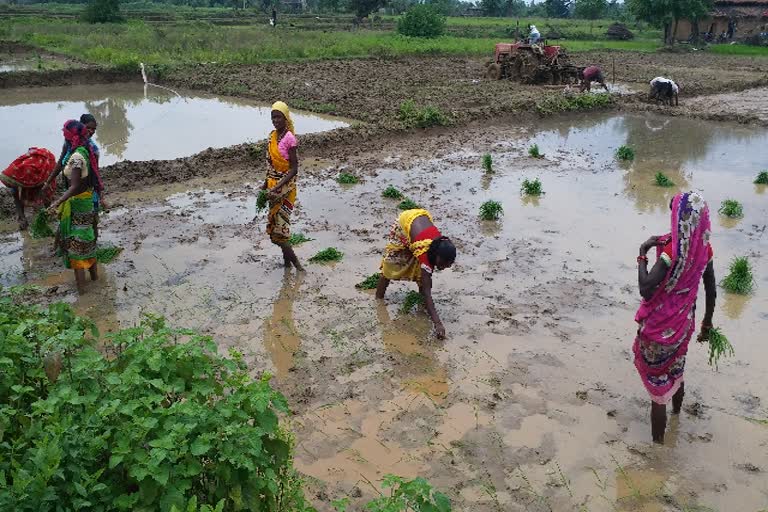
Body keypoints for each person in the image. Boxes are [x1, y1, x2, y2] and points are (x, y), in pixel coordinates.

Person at [634, 191, 716, 444]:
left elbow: (646, 289)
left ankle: (658, 448)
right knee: (677, 370)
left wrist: (642, 255)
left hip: (659, 328)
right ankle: (677, 417)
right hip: (683, 325)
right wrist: (706, 323)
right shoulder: (705, 249)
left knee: (657, 390)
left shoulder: (672, 249)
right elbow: (711, 290)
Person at [375, 209, 456, 339]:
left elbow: (427, 279)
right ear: (436, 255)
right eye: (443, 263)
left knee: (422, 273)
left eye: (448, 264)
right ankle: (378, 298)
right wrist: (437, 323)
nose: (444, 267)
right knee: (391, 265)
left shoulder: (439, 245)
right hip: (404, 223)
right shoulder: (425, 253)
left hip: (419, 218)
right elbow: (427, 290)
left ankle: (421, 305)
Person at [46, 120, 101, 294]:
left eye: (66, 135)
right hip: (85, 202)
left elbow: (75, 185)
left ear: (71, 136)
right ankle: (95, 281)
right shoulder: (85, 150)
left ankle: (83, 295)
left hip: (78, 205)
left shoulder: (77, 157)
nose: (65, 137)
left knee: (77, 247)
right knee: (87, 241)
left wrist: (58, 201)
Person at [262, 101, 304, 271]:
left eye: (279, 117)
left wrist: (278, 186)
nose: (276, 120)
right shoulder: (272, 136)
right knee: (276, 229)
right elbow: (270, 165)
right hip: (273, 188)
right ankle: (287, 264)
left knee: (281, 229)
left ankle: (298, 267)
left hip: (286, 189)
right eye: (273, 117)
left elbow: (294, 168)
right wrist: (265, 184)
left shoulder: (290, 138)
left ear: (286, 118)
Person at [44, 113, 105, 210]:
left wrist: (100, 195)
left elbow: (95, 173)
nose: (91, 131)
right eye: (88, 128)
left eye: (93, 129)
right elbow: (60, 163)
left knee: (84, 219)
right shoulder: (69, 144)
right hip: (70, 191)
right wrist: (47, 182)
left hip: (82, 193)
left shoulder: (90, 150)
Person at [1, 148, 57, 230]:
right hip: (29, 171)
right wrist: (21, 217)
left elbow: (42, 193)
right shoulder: (13, 175)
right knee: (27, 196)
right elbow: (15, 196)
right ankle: (38, 216)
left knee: (45, 193)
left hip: (44, 165)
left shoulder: (37, 175)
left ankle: (47, 214)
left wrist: (42, 216)